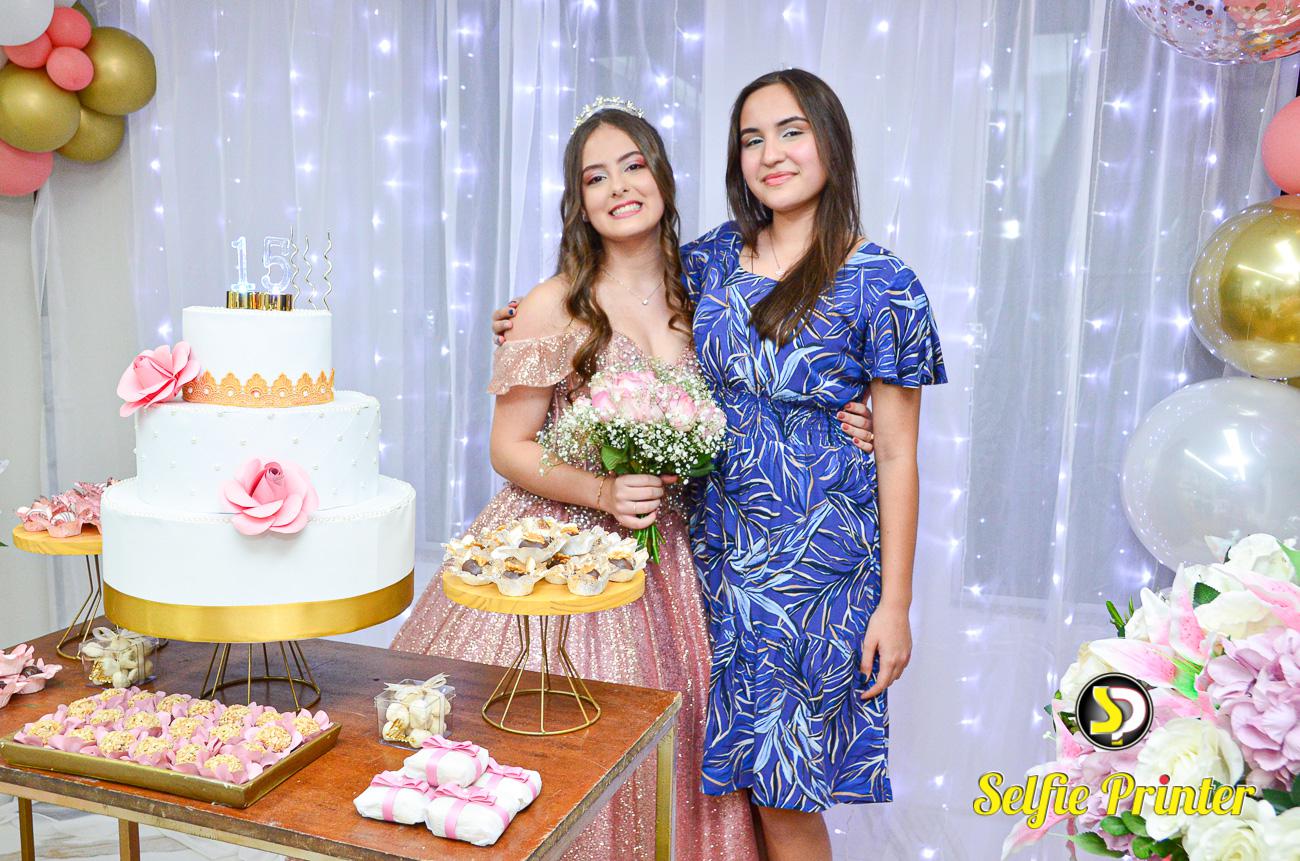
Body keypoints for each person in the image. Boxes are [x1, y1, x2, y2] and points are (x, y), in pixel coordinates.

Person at [397, 102, 871, 860]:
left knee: (681, 757)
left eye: (633, 165)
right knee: (551, 756)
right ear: (579, 202)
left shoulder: (711, 291)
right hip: (561, 560)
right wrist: (603, 492)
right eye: (596, 177)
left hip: (679, 555)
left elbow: (775, 375)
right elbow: (508, 447)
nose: (618, 186)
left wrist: (848, 413)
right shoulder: (553, 304)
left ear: (664, 179)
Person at [492, 69, 944, 861]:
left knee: (783, 793)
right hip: (705, 561)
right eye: (752, 139)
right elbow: (620, 289)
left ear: (831, 142)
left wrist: (895, 604)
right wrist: (523, 318)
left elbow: (901, 452)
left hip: (812, 571)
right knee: (724, 792)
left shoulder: (887, 285)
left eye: (792, 131)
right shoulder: (709, 261)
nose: (772, 153)